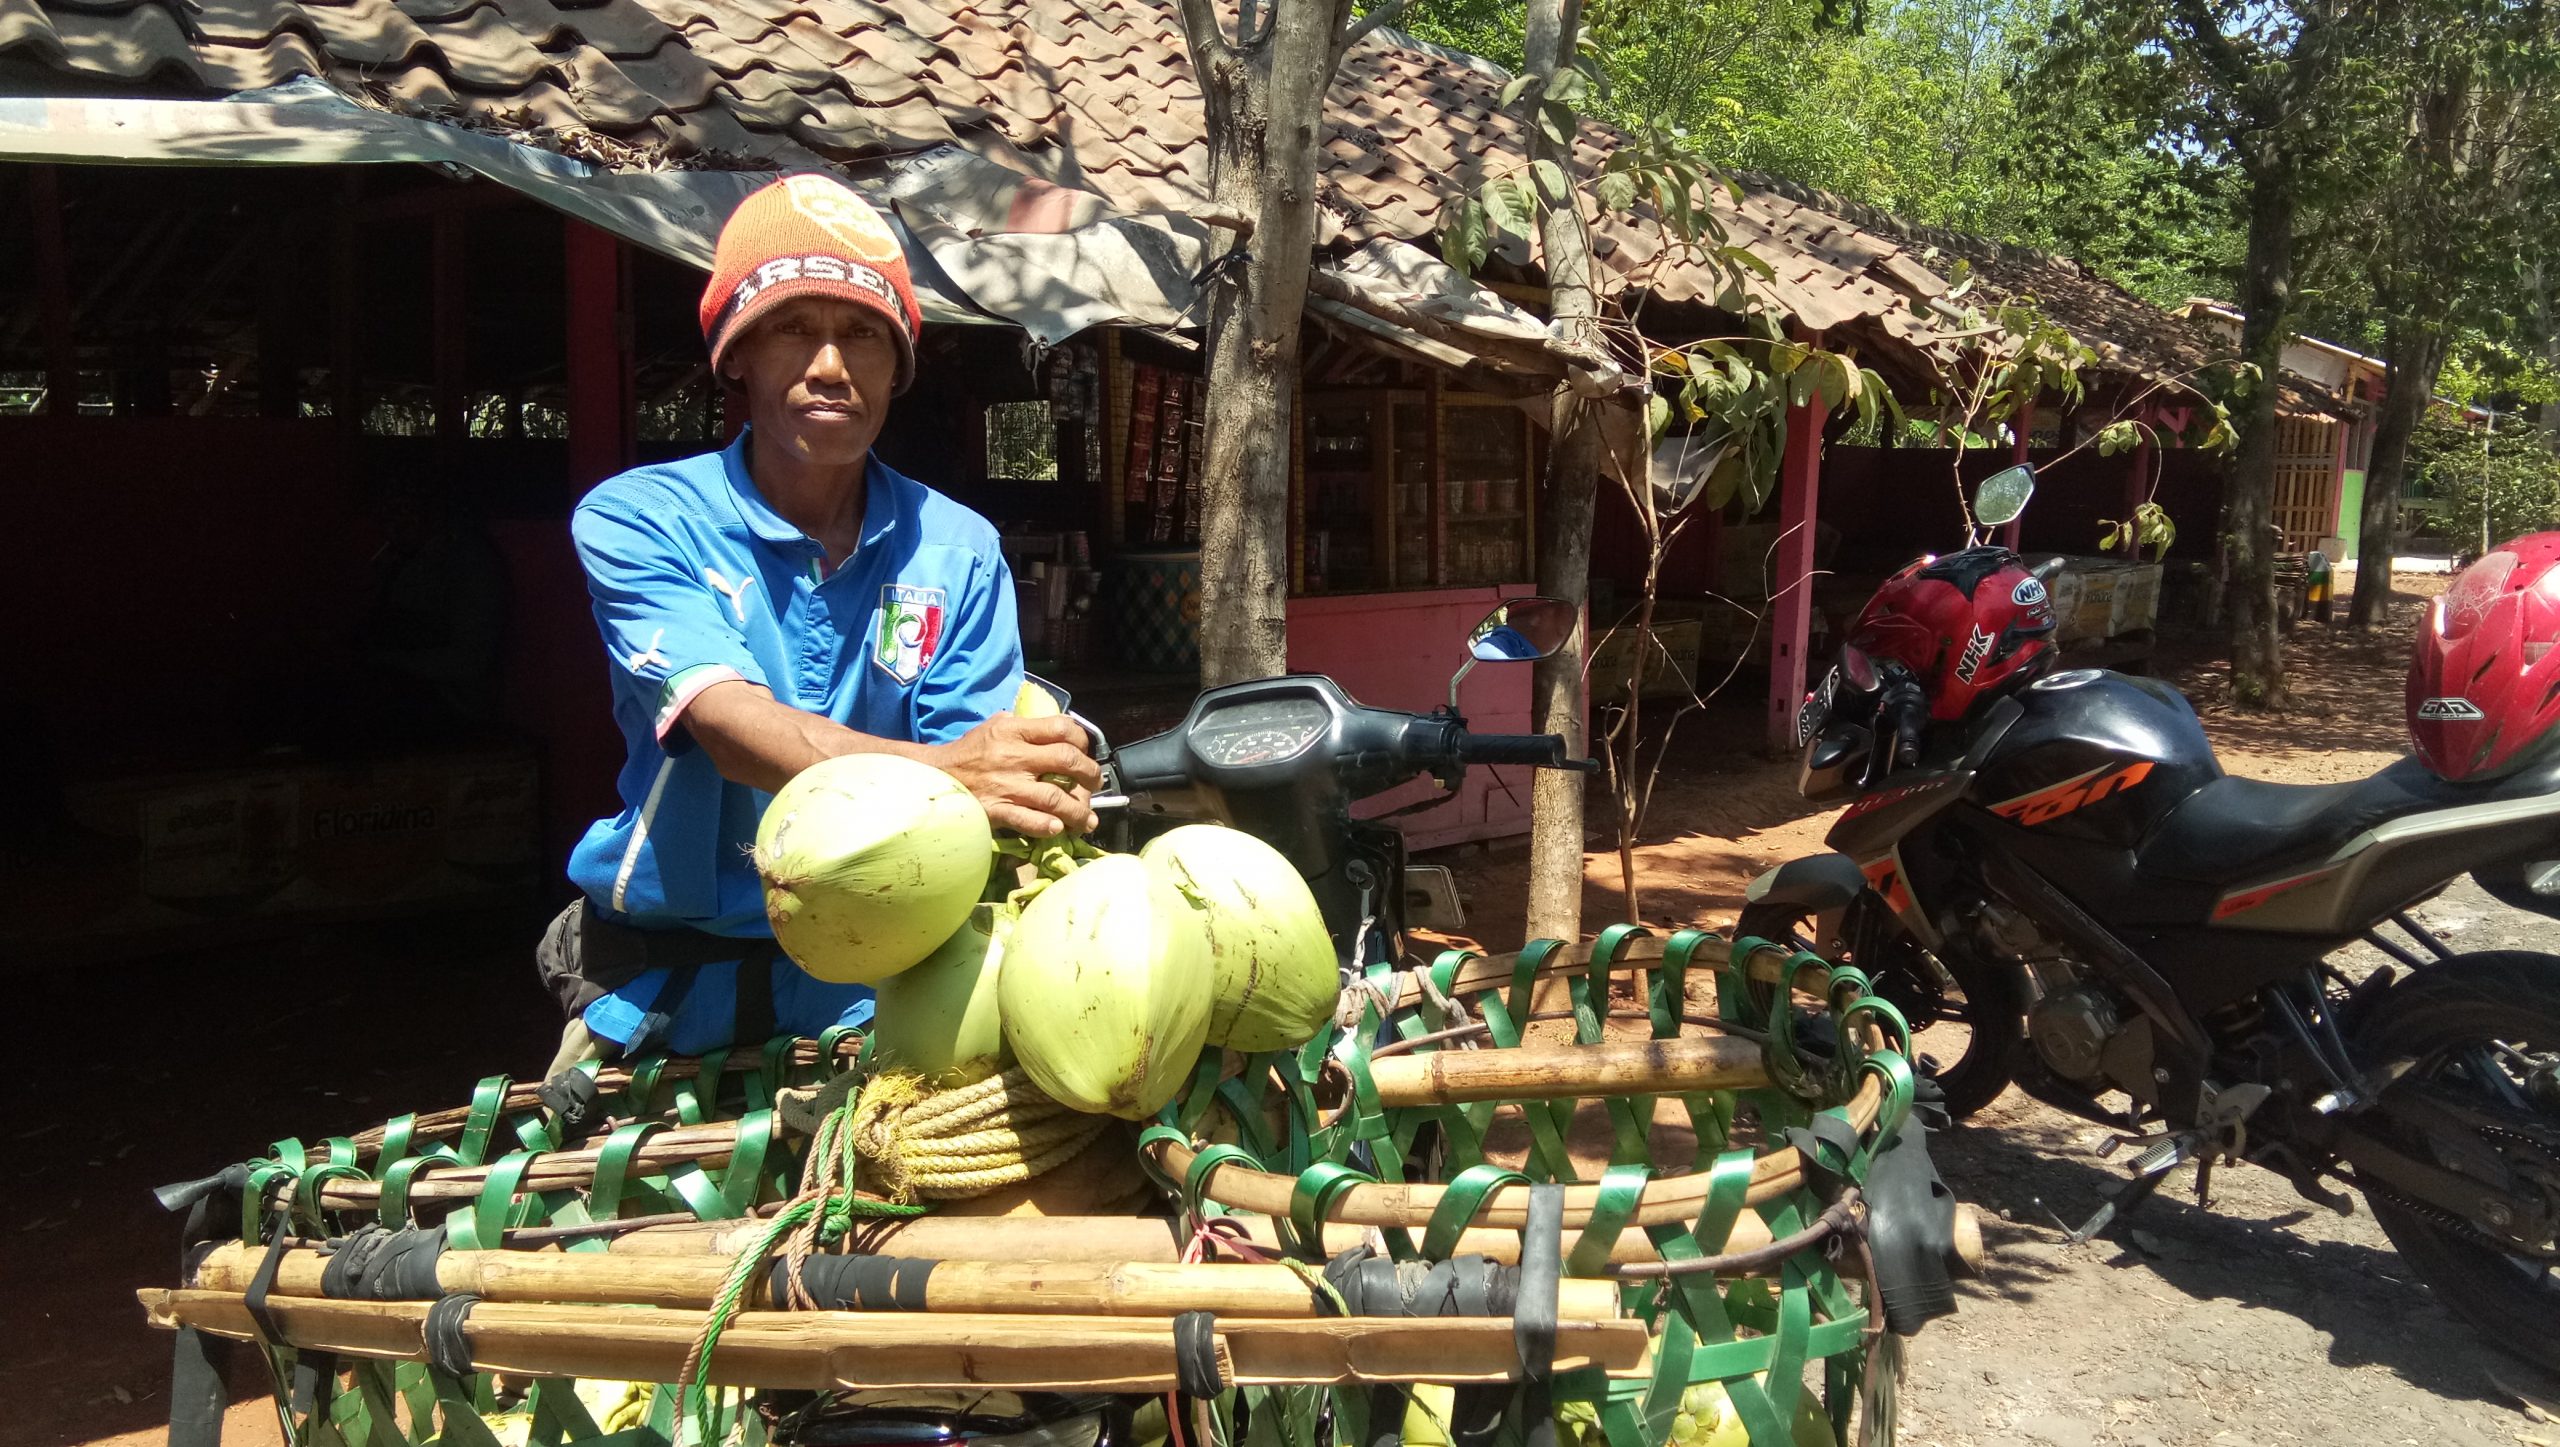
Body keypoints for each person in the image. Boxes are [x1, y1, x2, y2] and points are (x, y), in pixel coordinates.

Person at [538, 173, 1100, 1077]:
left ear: (898, 365)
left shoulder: (955, 550)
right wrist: (949, 771)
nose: (831, 366)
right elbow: (731, 727)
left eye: (864, 334)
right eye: (795, 327)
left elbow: (978, 792)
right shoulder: (641, 518)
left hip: (882, 999)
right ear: (737, 356)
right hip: (658, 997)